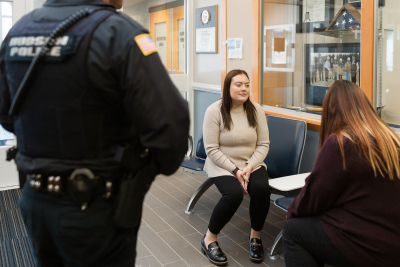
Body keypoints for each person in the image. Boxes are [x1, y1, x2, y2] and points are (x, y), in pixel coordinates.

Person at [0, 0, 190, 266]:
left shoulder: (18, 32)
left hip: (35, 202)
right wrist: (138, 172)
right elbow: (172, 131)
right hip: (95, 209)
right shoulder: (118, 33)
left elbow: (7, 115)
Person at [282, 80, 400, 267]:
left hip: (368, 245)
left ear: (330, 111)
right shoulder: (389, 139)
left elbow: (313, 198)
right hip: (391, 239)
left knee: (292, 231)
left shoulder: (342, 143)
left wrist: (291, 212)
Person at [201, 69, 270, 266]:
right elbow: (211, 149)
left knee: (262, 189)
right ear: (227, 87)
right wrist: (235, 170)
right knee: (233, 194)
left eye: (247, 85)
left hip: (251, 164)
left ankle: (255, 237)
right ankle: (209, 239)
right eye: (238, 84)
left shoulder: (256, 110)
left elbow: (263, 144)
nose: (244, 88)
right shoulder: (214, 111)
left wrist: (249, 166)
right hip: (222, 165)